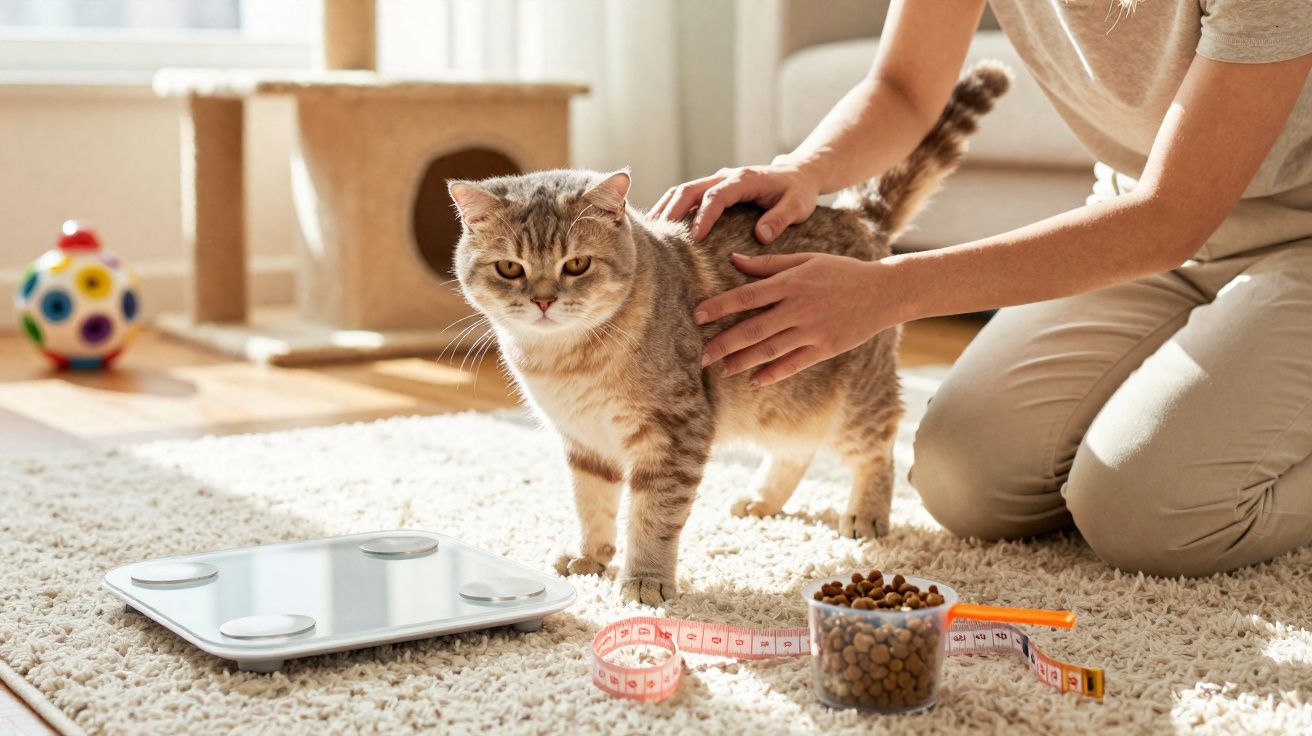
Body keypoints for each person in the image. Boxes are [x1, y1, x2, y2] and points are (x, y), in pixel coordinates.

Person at [653, 0, 1312, 578]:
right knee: (963, 478)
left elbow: (1174, 216)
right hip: (1136, 221)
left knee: (1147, 515)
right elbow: (905, 88)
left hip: (1287, 235)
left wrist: (890, 290)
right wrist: (802, 170)